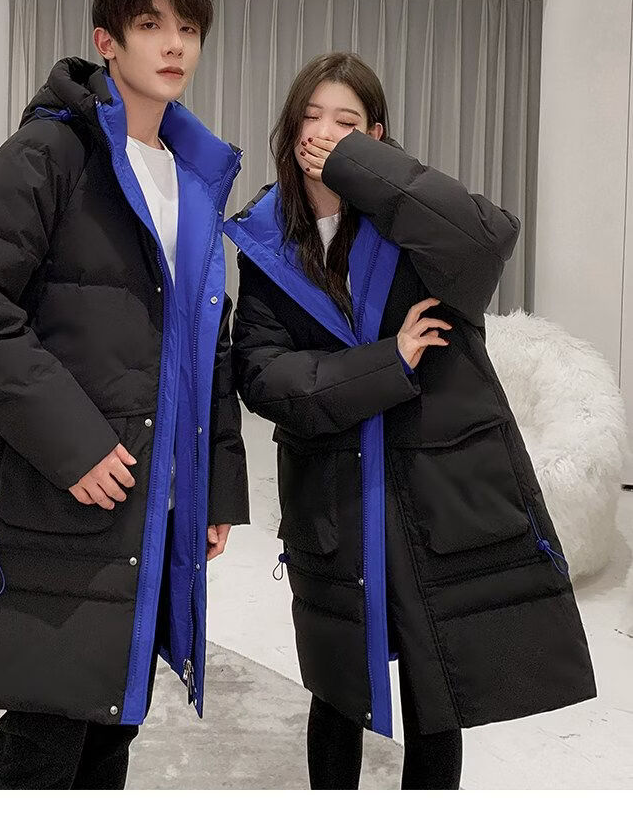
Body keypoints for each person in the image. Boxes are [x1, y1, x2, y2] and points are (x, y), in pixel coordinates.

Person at [0, 0, 249, 789]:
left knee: (112, 727)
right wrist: (74, 443)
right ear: (107, 41)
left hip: (152, 494)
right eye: (150, 25)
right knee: (49, 732)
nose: (174, 45)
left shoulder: (194, 179)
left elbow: (205, 343)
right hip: (66, 490)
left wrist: (212, 485)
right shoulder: (52, 154)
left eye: (188, 28)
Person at [225, 50, 596, 790]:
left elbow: (489, 240)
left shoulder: (416, 230)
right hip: (334, 499)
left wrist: (366, 172)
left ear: (375, 140)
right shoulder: (265, 242)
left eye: (347, 124)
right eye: (310, 118)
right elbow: (266, 379)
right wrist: (386, 363)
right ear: (288, 131)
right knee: (337, 690)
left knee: (438, 689)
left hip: (437, 490)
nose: (323, 134)